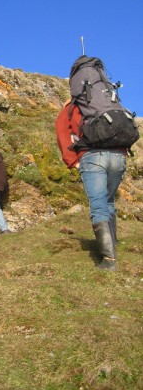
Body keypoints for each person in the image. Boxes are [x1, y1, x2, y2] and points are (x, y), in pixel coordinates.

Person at [55, 100, 127, 271]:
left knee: (98, 206)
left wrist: (72, 161)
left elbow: (61, 129)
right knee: (109, 201)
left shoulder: (72, 106)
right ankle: (113, 244)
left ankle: (109, 260)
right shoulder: (109, 100)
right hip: (118, 156)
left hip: (92, 157)